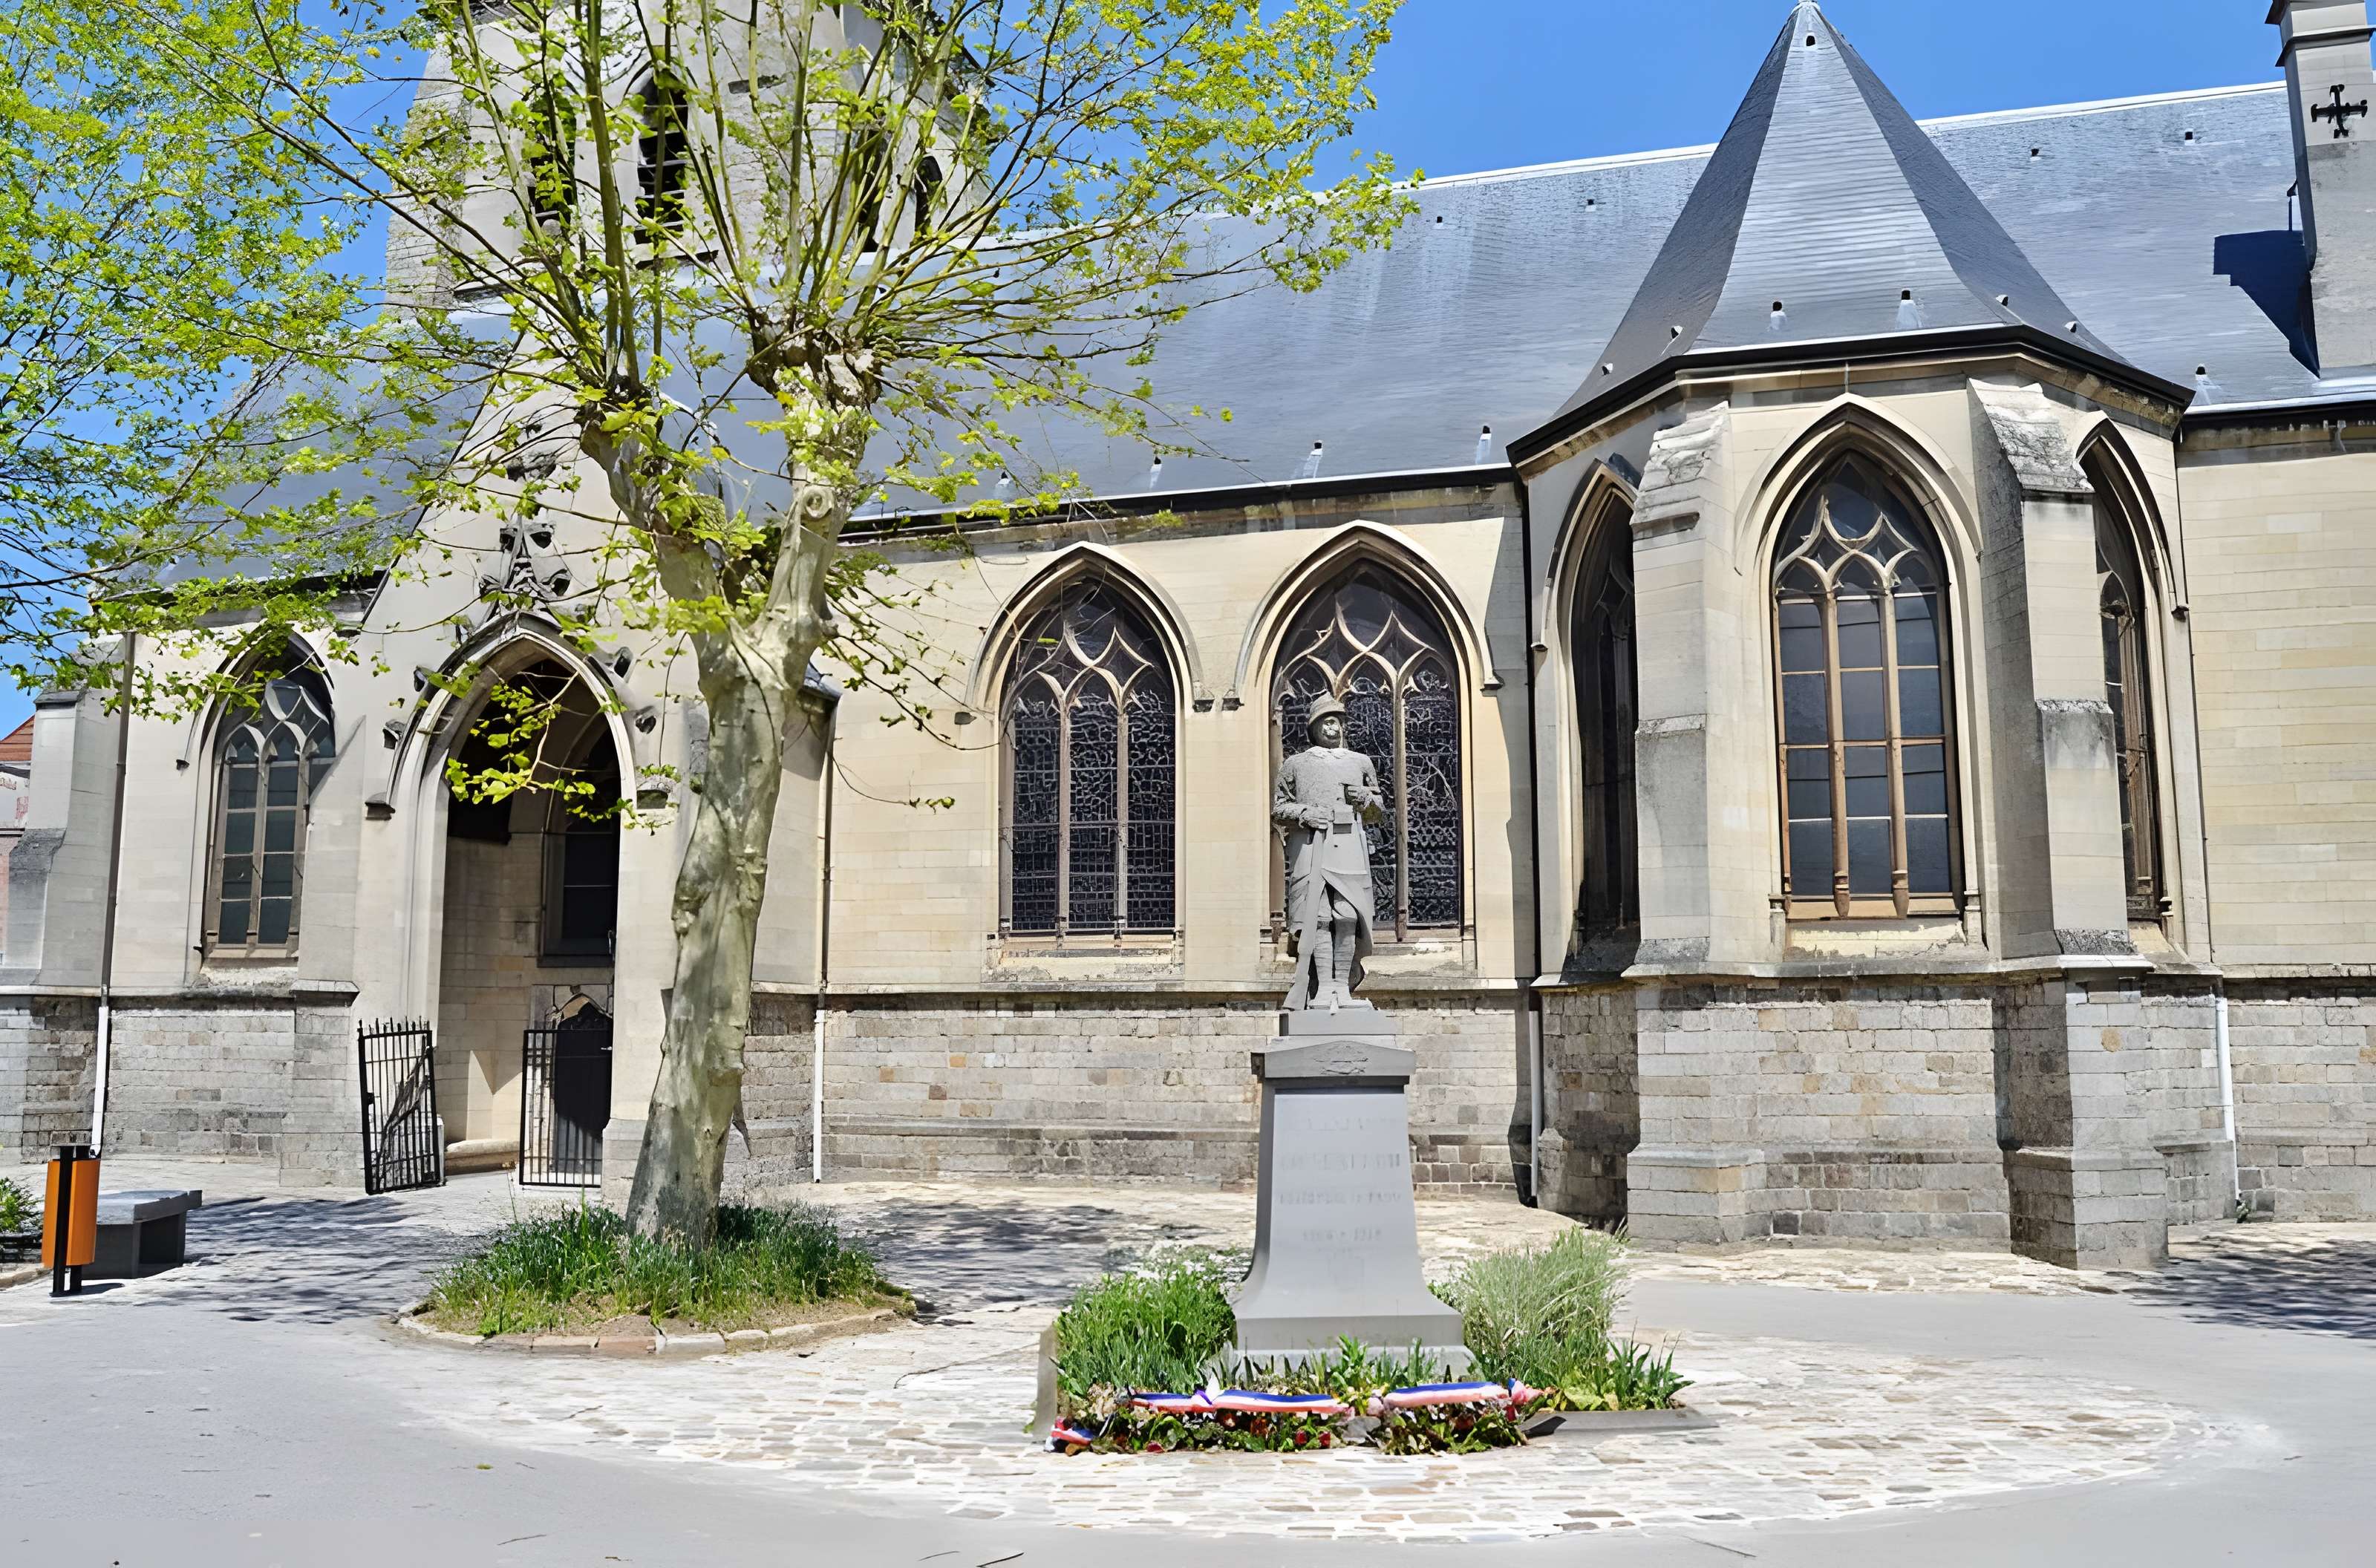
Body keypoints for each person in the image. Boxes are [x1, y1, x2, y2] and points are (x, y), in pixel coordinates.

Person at [1272, 693, 1384, 1011]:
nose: (1332, 728)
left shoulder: (1360, 762)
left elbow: (1378, 812)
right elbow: (1278, 808)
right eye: (1325, 721)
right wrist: (1305, 813)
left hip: (1349, 847)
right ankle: (1322, 990)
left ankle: (1341, 987)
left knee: (1348, 916)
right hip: (1311, 847)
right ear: (1314, 726)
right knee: (1317, 919)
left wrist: (1364, 797)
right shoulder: (1296, 764)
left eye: (1336, 721)